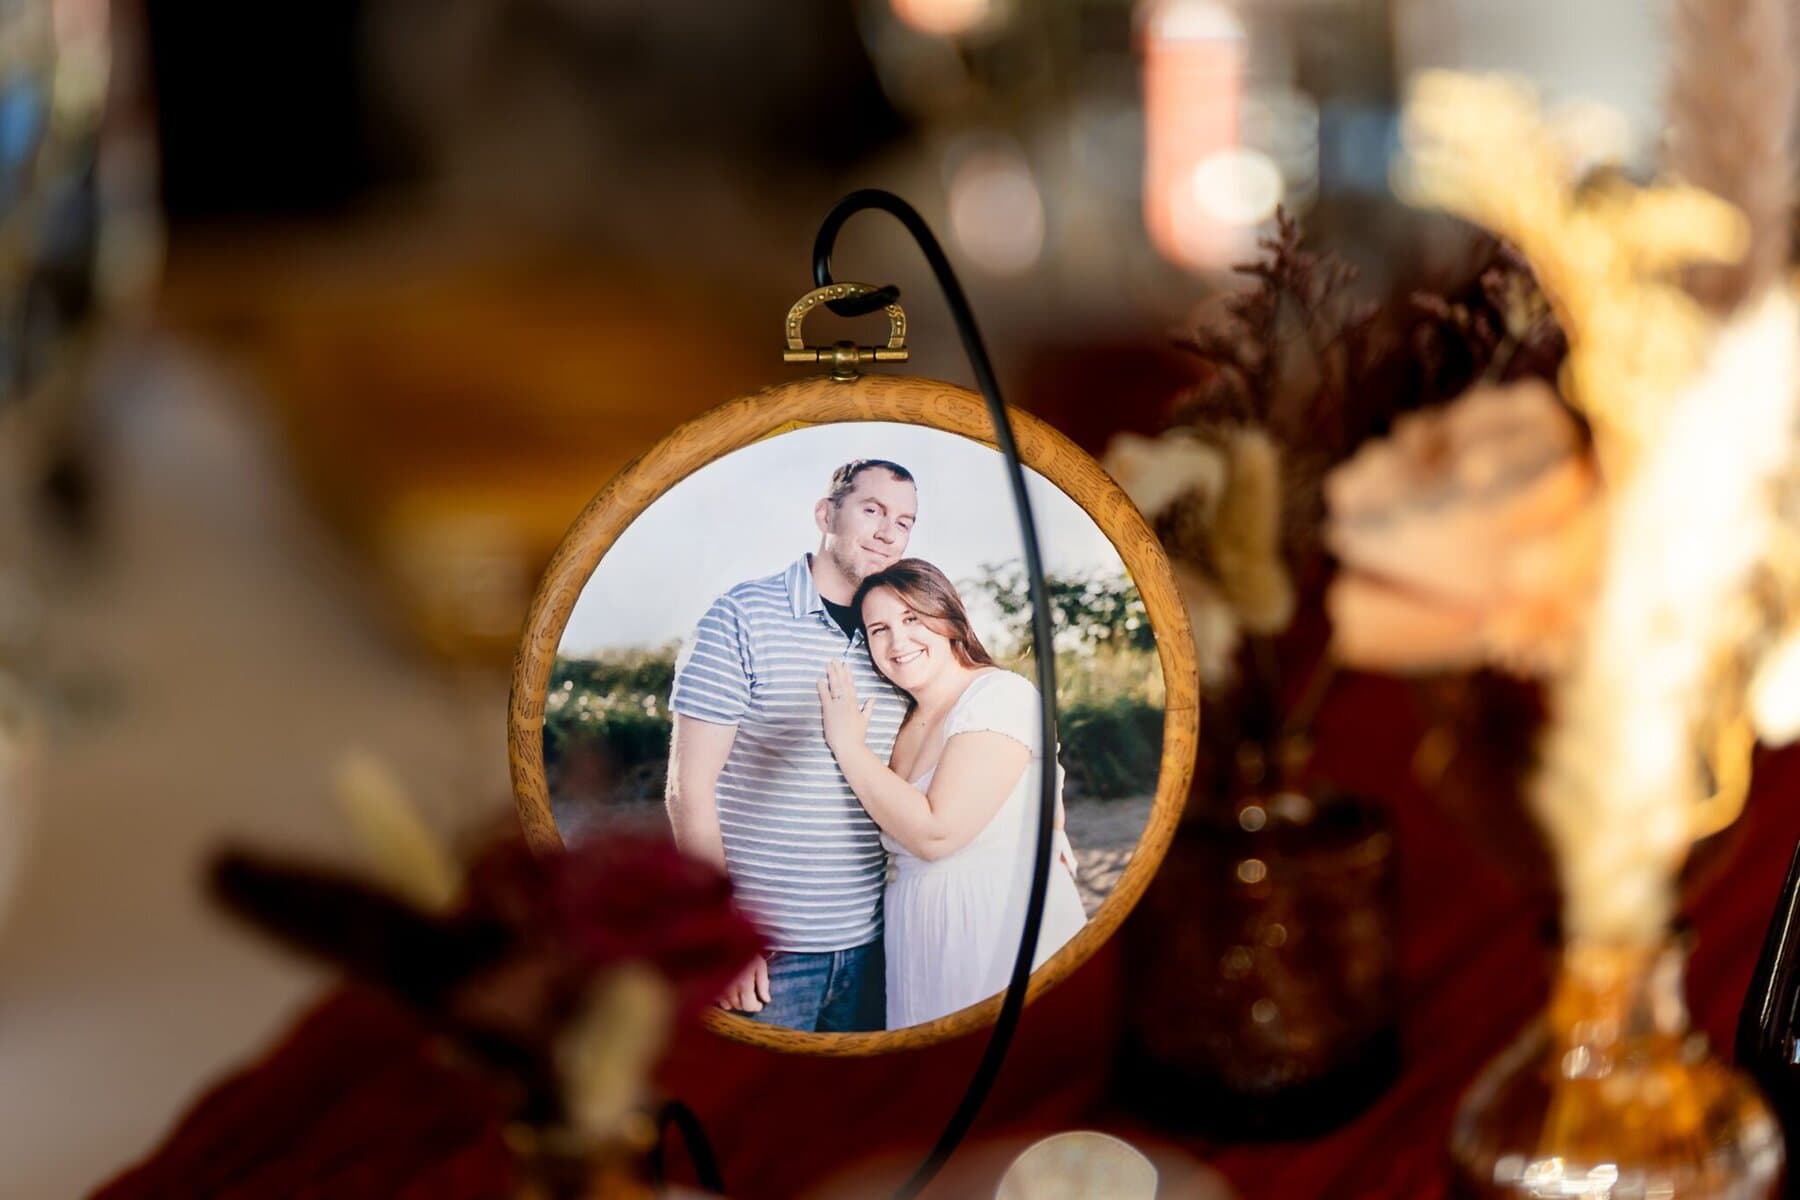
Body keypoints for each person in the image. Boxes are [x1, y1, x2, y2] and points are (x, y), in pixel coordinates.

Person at [665, 459, 916, 1032]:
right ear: (826, 513)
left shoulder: (900, 636)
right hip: (769, 953)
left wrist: (1043, 819)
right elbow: (689, 788)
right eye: (872, 510)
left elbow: (968, 713)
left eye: (903, 521)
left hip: (879, 941)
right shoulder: (741, 616)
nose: (886, 532)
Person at [817, 558, 1087, 1029]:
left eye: (911, 618)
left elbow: (936, 834)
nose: (897, 641)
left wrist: (846, 745)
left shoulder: (998, 696)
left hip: (991, 925)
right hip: (918, 932)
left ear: (948, 618)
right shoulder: (901, 718)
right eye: (878, 629)